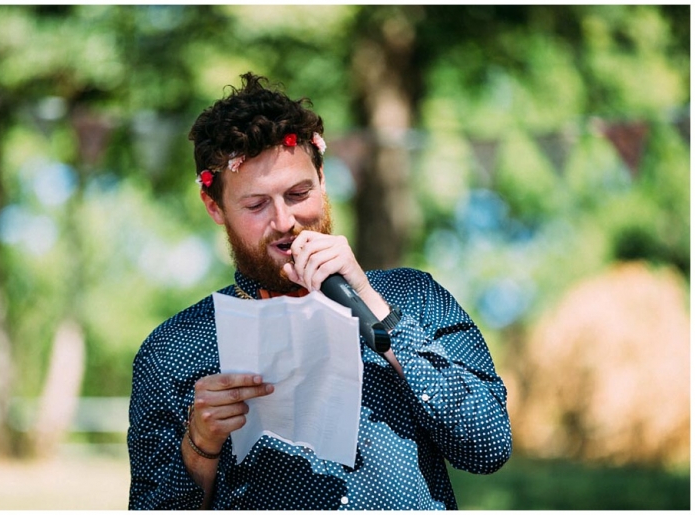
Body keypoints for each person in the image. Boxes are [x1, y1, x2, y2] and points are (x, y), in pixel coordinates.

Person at [127, 72, 512, 510]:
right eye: (256, 204)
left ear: (323, 180)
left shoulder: (414, 296)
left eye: (298, 193)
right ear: (215, 208)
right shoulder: (172, 350)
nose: (284, 220)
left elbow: (488, 447)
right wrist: (201, 443)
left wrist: (374, 308)